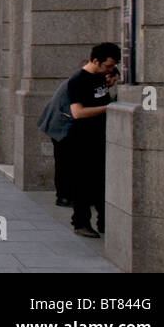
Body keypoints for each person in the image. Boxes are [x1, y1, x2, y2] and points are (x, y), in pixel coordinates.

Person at [40, 43, 120, 237]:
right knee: (83, 183)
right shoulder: (78, 80)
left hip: (96, 137)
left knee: (99, 182)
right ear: (95, 61)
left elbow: (98, 97)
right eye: (108, 66)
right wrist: (110, 108)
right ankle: (81, 222)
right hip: (79, 138)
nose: (110, 70)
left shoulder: (100, 77)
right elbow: (78, 112)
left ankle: (103, 222)